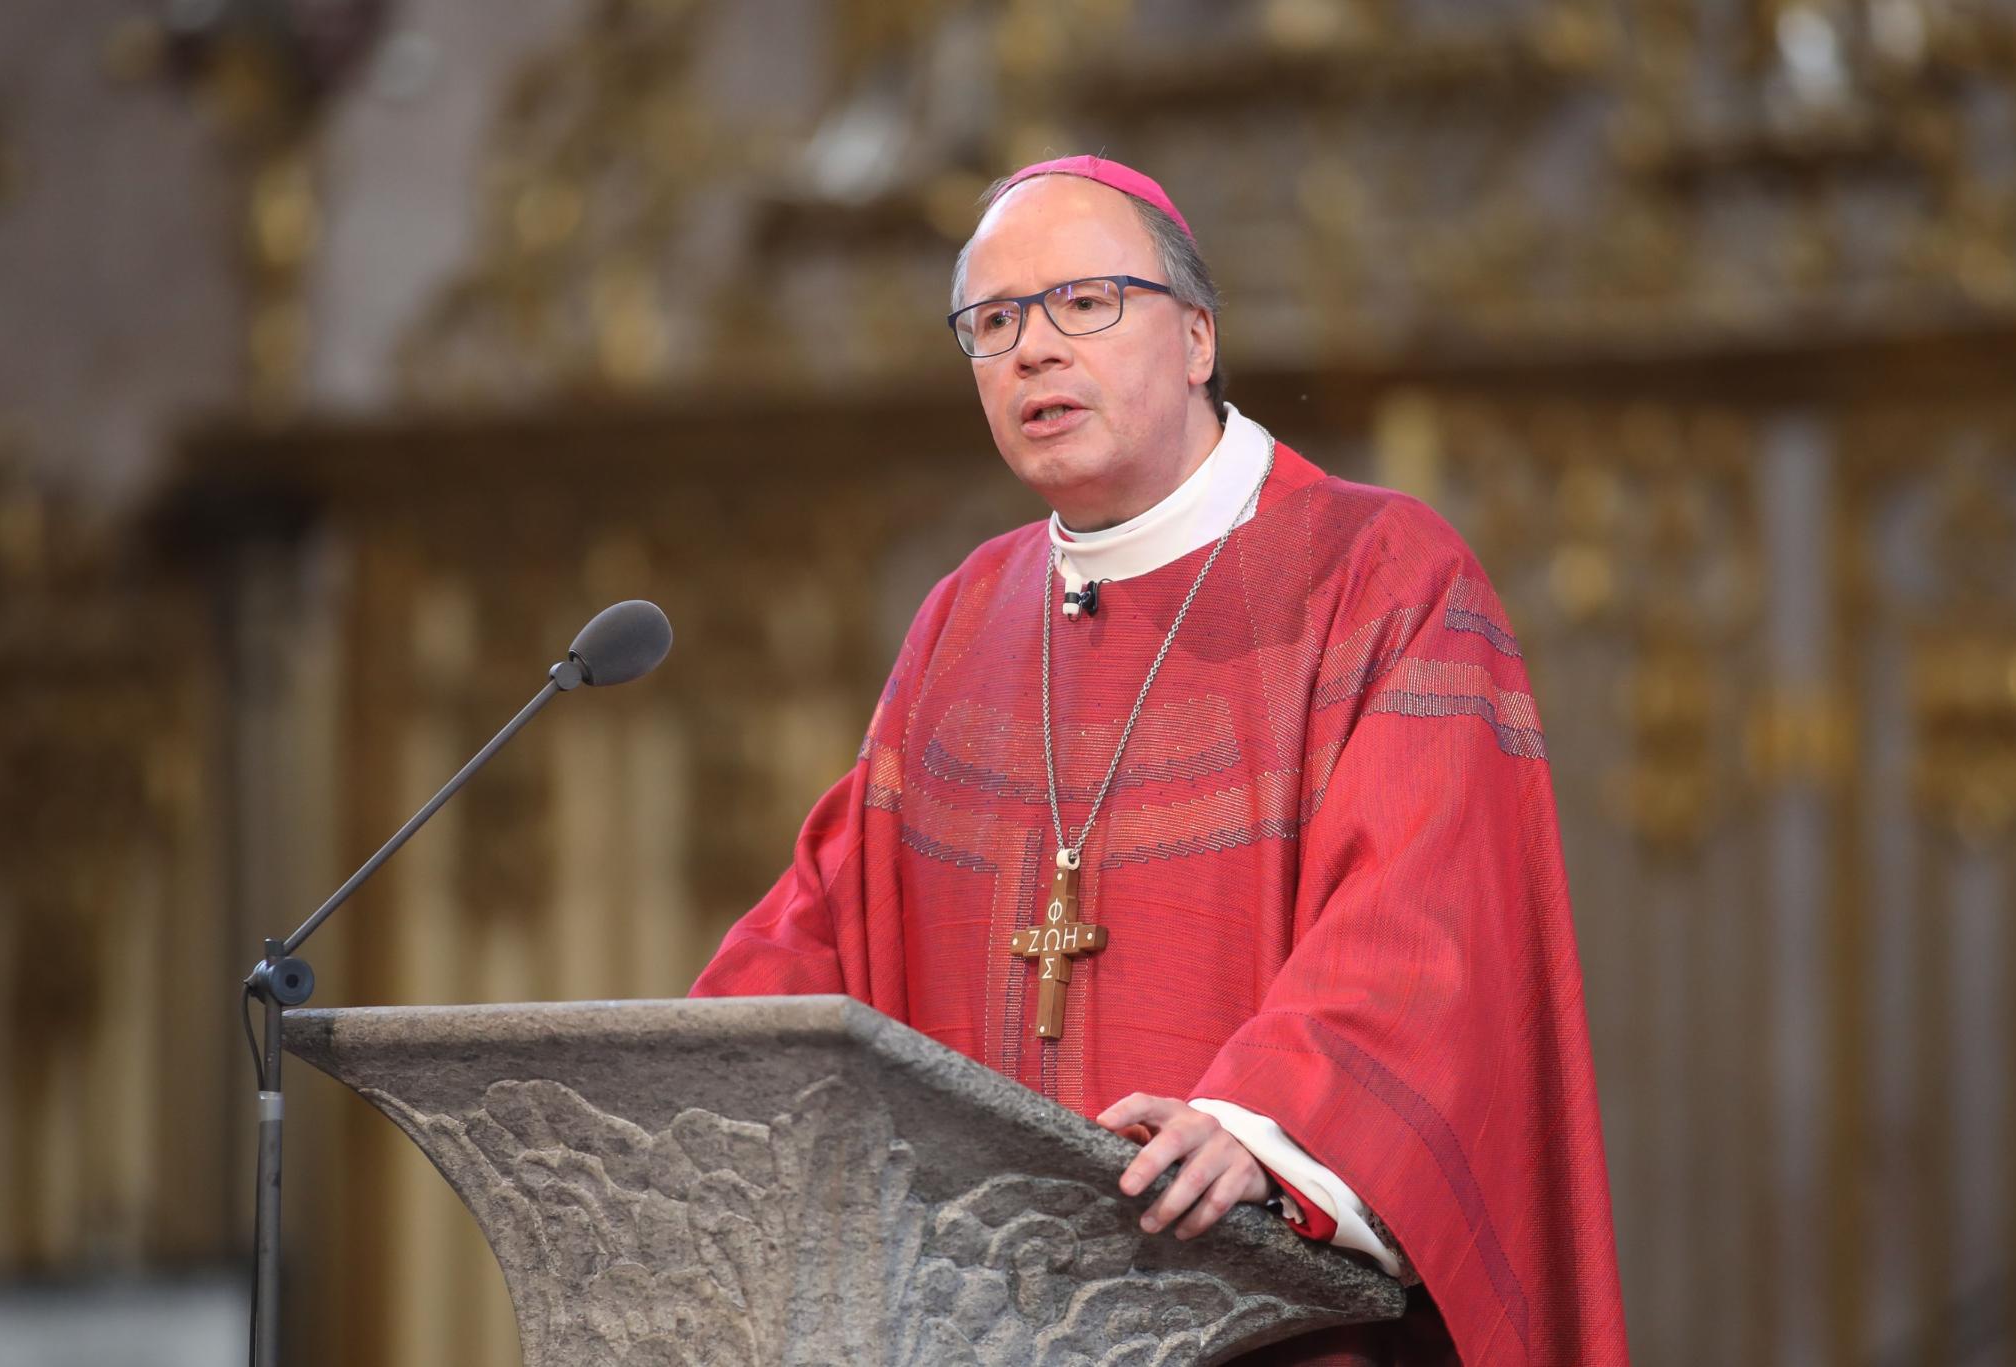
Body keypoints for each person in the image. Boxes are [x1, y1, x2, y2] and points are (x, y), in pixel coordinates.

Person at [691, 155, 1627, 1366]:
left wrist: (1266, 1122)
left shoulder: (1378, 570)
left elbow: (1431, 922)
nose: (1031, 349)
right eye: (992, 321)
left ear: (1194, 337)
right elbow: (833, 919)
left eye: (1083, 302)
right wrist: (690, 1084)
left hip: (1264, 1314)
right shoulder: (968, 618)